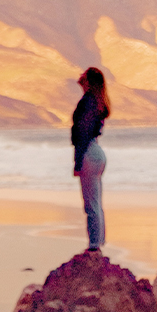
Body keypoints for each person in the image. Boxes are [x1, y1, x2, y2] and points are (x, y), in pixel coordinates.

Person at [71, 67, 110, 251]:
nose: (80, 76)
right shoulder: (97, 101)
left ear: (88, 81)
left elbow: (82, 135)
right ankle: (98, 242)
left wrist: (77, 162)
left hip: (89, 152)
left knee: (91, 204)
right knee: (96, 203)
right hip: (97, 152)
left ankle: (94, 246)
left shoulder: (87, 102)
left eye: (84, 75)